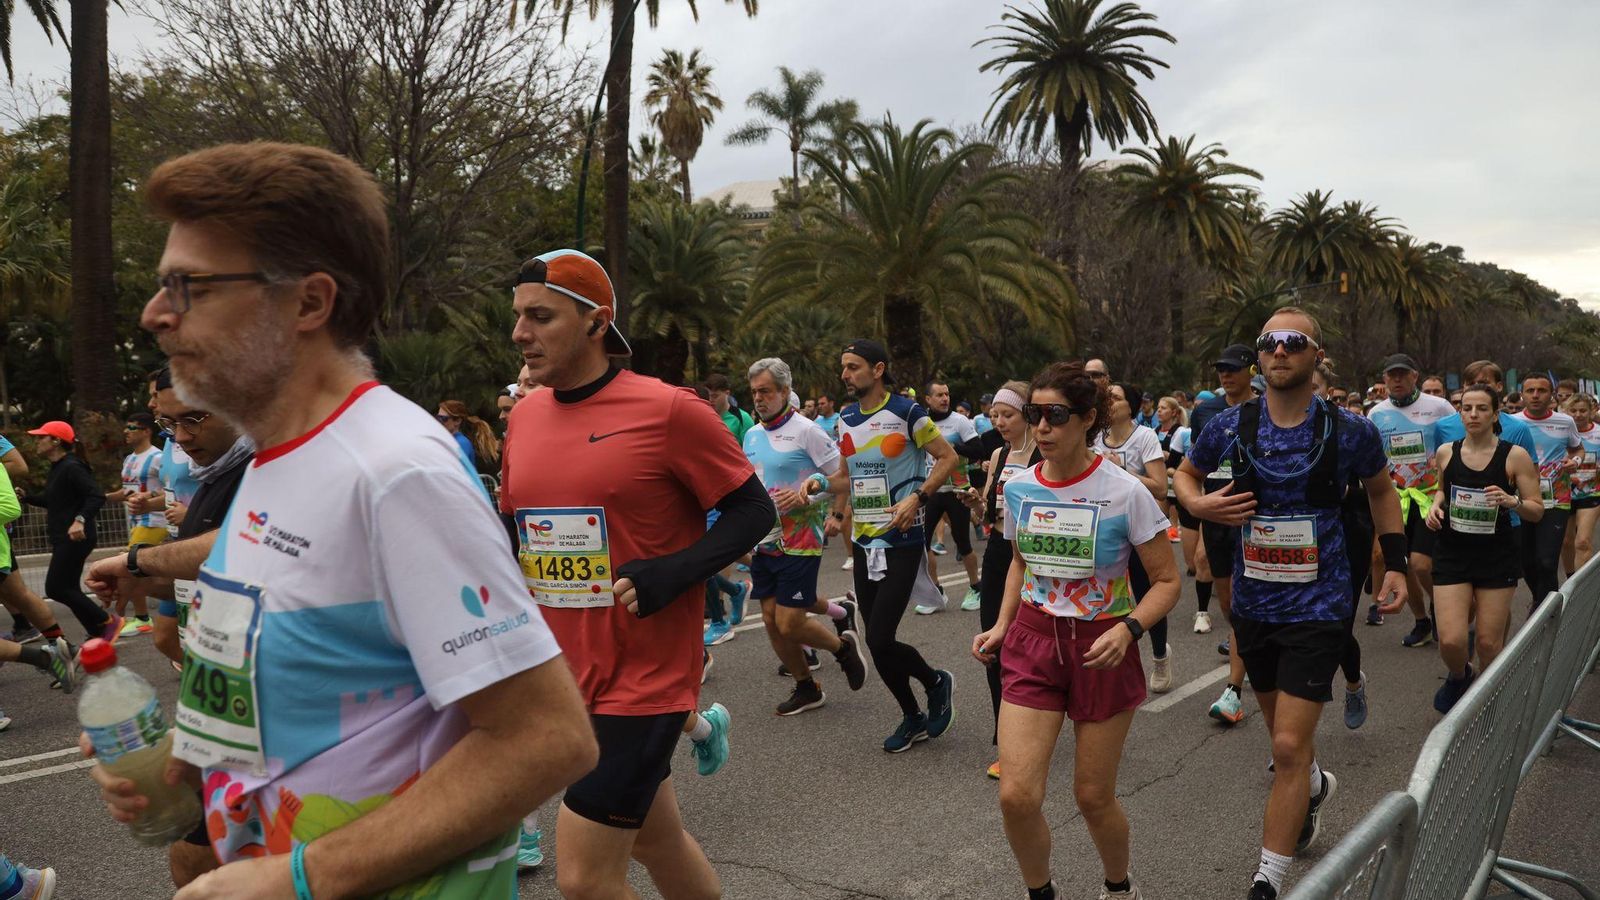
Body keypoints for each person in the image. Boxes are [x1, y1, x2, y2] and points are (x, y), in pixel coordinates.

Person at [87, 141, 596, 898]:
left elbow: (546, 738)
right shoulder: (274, 457)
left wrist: (299, 878)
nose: (154, 313)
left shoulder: (395, 471)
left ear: (309, 303)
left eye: (187, 286)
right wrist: (188, 776)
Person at [501, 247, 773, 899]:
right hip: (566, 674)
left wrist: (676, 571)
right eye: (517, 317)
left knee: (586, 880)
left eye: (540, 316)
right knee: (656, 840)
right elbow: (517, 532)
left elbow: (751, 508)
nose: (519, 333)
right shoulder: (528, 416)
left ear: (596, 324)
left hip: (645, 680)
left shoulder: (668, 411)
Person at [1177, 308, 1407, 900]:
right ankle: (1312, 786)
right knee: (1285, 738)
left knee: (1284, 746)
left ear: (1315, 354)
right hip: (1254, 603)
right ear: (1260, 357)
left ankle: (1268, 880)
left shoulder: (1351, 430)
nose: (1279, 351)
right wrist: (1197, 510)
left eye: (1293, 342)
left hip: (1321, 601)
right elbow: (1185, 474)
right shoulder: (1228, 425)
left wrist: (1398, 563)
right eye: (1269, 343)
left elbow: (1382, 490)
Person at [973, 361, 1180, 900]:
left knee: (1092, 797)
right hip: (1034, 643)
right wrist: (1001, 625)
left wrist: (1130, 629)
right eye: (1034, 414)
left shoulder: (1125, 491)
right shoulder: (1018, 487)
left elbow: (1165, 581)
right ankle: (1041, 892)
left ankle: (1118, 886)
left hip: (1102, 646)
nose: (1040, 427)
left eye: (1054, 415)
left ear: (1087, 419)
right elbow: (1021, 561)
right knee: (1016, 796)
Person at [833, 338, 960, 752]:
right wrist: (819, 490)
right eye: (844, 368)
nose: (846, 375)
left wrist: (918, 497)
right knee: (875, 641)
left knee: (881, 638)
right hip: (864, 541)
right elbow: (844, 477)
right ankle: (912, 715)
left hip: (902, 540)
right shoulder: (846, 416)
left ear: (878, 368)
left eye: (853, 367)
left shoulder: (907, 412)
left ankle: (934, 681)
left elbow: (947, 458)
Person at [742, 357, 869, 715]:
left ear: (784, 391)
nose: (759, 398)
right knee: (769, 620)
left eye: (766, 391)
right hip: (764, 538)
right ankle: (806, 687)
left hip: (801, 538)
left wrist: (810, 496)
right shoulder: (751, 434)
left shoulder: (807, 431)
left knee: (789, 620)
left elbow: (842, 480)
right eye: (754, 392)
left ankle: (842, 649)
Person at [1424, 385, 1542, 712]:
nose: (1473, 414)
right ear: (1459, 413)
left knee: (1489, 643)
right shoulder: (1447, 451)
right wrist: (1435, 508)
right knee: (1450, 640)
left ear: (1495, 414)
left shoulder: (1513, 455)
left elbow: (1537, 508)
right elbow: (1440, 490)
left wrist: (1512, 501)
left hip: (1496, 555)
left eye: (1481, 409)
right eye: (1467, 408)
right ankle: (1460, 675)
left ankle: (1488, 704)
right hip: (1452, 551)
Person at [961, 380, 1037, 780]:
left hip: (1039, 558)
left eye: (1007, 414)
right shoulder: (998, 452)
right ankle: (1006, 742)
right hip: (999, 555)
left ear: (1027, 413)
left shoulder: (1046, 452)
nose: (1000, 421)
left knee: (1040, 646)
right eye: (995, 415)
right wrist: (976, 502)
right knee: (994, 644)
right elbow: (987, 515)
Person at [1365, 353, 1455, 648]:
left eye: (1403, 374)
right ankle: (1422, 621)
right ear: (1384, 379)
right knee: (1404, 564)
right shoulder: (1377, 413)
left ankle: (1440, 609)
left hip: (1432, 497)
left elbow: (1456, 444)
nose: (1397, 380)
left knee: (1420, 563)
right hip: (1396, 499)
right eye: (1392, 375)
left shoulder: (1438, 406)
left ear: (1415, 376)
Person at [1188, 344, 1255, 724]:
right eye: (1220, 369)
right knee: (1229, 606)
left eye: (1233, 368)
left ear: (1251, 370)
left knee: (1247, 606)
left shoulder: (1266, 410)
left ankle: (1234, 689)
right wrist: (1200, 512)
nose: (1225, 375)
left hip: (1253, 518)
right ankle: (1246, 651)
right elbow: (1194, 468)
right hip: (1216, 517)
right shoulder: (1205, 414)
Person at [1096, 382, 1173, 693]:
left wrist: (1121, 472)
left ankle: (1159, 655)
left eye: (1116, 397)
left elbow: (1159, 487)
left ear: (1131, 405)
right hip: (1104, 527)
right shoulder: (1094, 439)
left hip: (1139, 530)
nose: (1109, 402)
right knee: (1105, 597)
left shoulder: (1144, 437)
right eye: (1106, 397)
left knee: (1146, 593)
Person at [22, 422, 120, 642]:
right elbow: (53, 501)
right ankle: (97, 631)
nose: (37, 442)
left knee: (55, 588)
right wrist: (26, 496)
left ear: (56, 441)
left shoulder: (72, 466)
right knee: (68, 587)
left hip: (76, 536)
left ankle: (107, 622)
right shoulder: (58, 467)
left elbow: (96, 496)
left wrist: (80, 520)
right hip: (64, 537)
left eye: (41, 437)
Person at [1510, 373, 1582, 605]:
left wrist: (1576, 462)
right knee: (1527, 563)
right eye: (1530, 391)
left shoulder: (1565, 421)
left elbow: (1577, 449)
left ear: (1551, 395)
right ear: (1522, 394)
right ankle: (1540, 600)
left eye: (1541, 390)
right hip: (1522, 501)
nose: (1535, 395)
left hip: (1556, 500)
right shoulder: (1511, 422)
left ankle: (1546, 612)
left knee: (1547, 562)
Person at [919, 380, 983, 613]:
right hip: (932, 490)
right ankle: (936, 591)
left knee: (962, 542)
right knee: (923, 543)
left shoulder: (960, 421)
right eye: (939, 395)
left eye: (947, 394)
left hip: (958, 490)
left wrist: (952, 449)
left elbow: (978, 450)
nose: (945, 398)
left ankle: (976, 586)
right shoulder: (921, 422)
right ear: (928, 399)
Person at [107, 411, 166, 636]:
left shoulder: (158, 457)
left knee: (127, 569)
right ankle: (142, 617)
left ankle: (118, 618)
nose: (126, 431)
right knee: (137, 571)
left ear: (146, 431)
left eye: (131, 427)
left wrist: (149, 498)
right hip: (134, 521)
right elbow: (127, 491)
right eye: (126, 427)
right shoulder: (130, 459)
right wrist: (99, 498)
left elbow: (170, 488)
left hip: (153, 521)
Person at [1563, 393, 1600, 576]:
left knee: (1582, 541)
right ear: (1566, 412)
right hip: (1564, 492)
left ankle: (1580, 590)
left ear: (1591, 411)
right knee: (1567, 542)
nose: (1578, 415)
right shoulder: (1561, 433)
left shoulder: (1598, 433)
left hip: (1592, 492)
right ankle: (1571, 579)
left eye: (1583, 410)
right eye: (1573, 410)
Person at [436, 399, 498, 473]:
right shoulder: (450, 440)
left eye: (444, 419)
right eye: (438, 417)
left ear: (458, 421)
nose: (439, 421)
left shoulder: (461, 443)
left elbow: (454, 473)